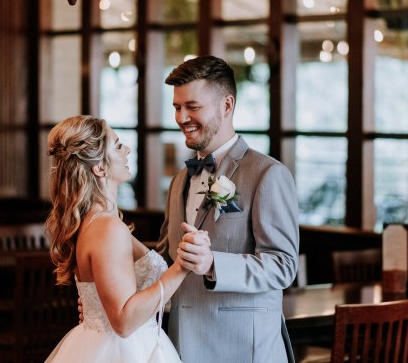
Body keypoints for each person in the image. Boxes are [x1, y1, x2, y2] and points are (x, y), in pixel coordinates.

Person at [157, 55, 300, 363]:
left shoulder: (268, 174)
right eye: (177, 107)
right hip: (181, 346)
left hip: (243, 350)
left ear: (226, 105)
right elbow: (165, 258)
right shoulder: (179, 180)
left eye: (192, 106)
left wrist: (213, 264)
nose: (181, 117)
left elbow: (283, 265)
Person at [44, 115, 208, 363]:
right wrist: (182, 266)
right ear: (100, 168)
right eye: (118, 145)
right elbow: (123, 322)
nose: (127, 149)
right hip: (124, 349)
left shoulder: (98, 221)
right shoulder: (107, 228)